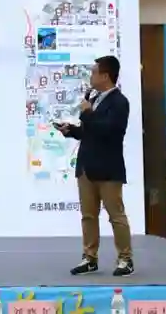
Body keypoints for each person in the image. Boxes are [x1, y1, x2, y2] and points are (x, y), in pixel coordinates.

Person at [55, 55, 134, 277]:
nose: (90, 76)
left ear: (105, 76)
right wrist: (71, 130)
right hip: (86, 167)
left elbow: (110, 131)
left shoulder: (119, 102)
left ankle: (125, 259)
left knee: (116, 216)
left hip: (108, 169)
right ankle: (90, 258)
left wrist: (88, 113)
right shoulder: (93, 97)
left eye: (93, 72)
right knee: (88, 216)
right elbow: (90, 131)